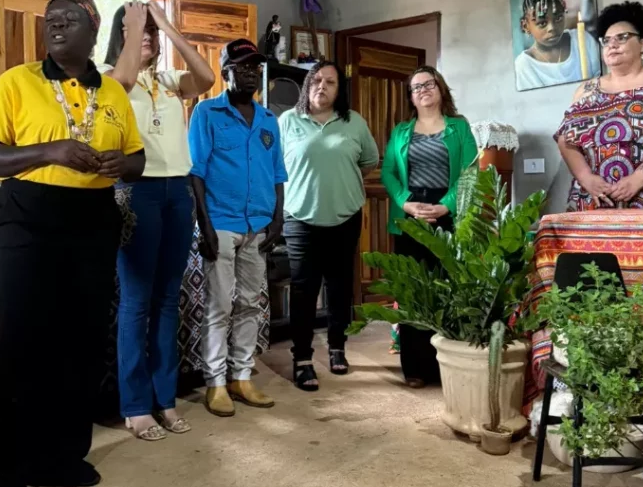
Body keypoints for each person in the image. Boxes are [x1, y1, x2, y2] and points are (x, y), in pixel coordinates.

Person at [0, 0, 145, 487]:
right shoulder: (17, 81)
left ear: (94, 30)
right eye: (51, 19)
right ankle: (0, 472)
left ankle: (59, 458)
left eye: (69, 18)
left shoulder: (113, 92)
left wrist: (120, 165)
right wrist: (51, 151)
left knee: (81, 341)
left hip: (93, 221)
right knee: (23, 341)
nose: (56, 24)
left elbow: (136, 159)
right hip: (29, 218)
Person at [103, 0, 215, 441]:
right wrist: (135, 31)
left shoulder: (167, 80)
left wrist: (166, 25)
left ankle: (165, 398)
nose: (146, 36)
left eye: (150, 31)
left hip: (177, 191)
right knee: (136, 300)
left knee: (168, 298)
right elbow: (123, 82)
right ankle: (135, 406)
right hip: (136, 191)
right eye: (137, 29)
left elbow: (206, 79)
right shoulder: (108, 75)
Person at [188, 39, 286, 417]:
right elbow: (196, 173)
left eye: (255, 68)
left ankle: (241, 377)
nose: (250, 74)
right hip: (222, 223)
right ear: (225, 72)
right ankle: (215, 382)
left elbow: (277, 173)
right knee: (219, 305)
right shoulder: (206, 113)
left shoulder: (268, 120)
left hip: (258, 224)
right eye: (242, 67)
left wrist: (277, 218)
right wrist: (205, 226)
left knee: (249, 304)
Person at [279, 62, 379, 390]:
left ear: (340, 90)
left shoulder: (354, 122)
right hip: (300, 218)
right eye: (317, 80)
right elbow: (274, 166)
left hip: (345, 217)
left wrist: (340, 181)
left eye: (330, 82)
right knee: (303, 290)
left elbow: (368, 161)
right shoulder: (288, 120)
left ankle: (337, 347)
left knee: (339, 287)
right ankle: (302, 359)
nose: (322, 86)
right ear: (308, 85)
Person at [381, 66, 477, 388]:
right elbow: (388, 172)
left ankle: (445, 367)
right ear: (410, 97)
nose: (422, 90)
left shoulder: (459, 127)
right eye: (416, 87)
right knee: (411, 290)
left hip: (447, 214)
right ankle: (415, 367)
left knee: (447, 288)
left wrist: (447, 204)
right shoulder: (401, 131)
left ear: (440, 88)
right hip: (410, 213)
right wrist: (406, 203)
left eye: (428, 84)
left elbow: (470, 171)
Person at [556, 1, 643, 210]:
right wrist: (586, 178)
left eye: (622, 37)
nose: (613, 45)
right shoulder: (586, 90)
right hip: (595, 198)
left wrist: (637, 180)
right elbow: (566, 140)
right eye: (607, 40)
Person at [515, 0, 601, 91]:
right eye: (542, 23)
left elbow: (601, 80)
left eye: (558, 18)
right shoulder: (524, 65)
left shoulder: (583, 40)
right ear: (526, 26)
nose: (552, 28)